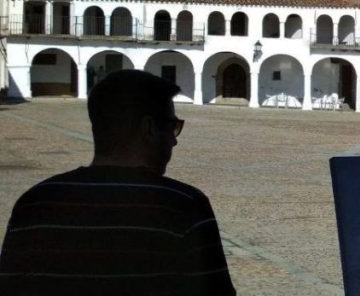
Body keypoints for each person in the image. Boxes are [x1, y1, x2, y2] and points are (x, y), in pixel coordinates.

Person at [0, 70, 235, 295]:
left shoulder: (33, 204)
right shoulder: (185, 207)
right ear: (149, 129)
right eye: (173, 126)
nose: (174, 141)